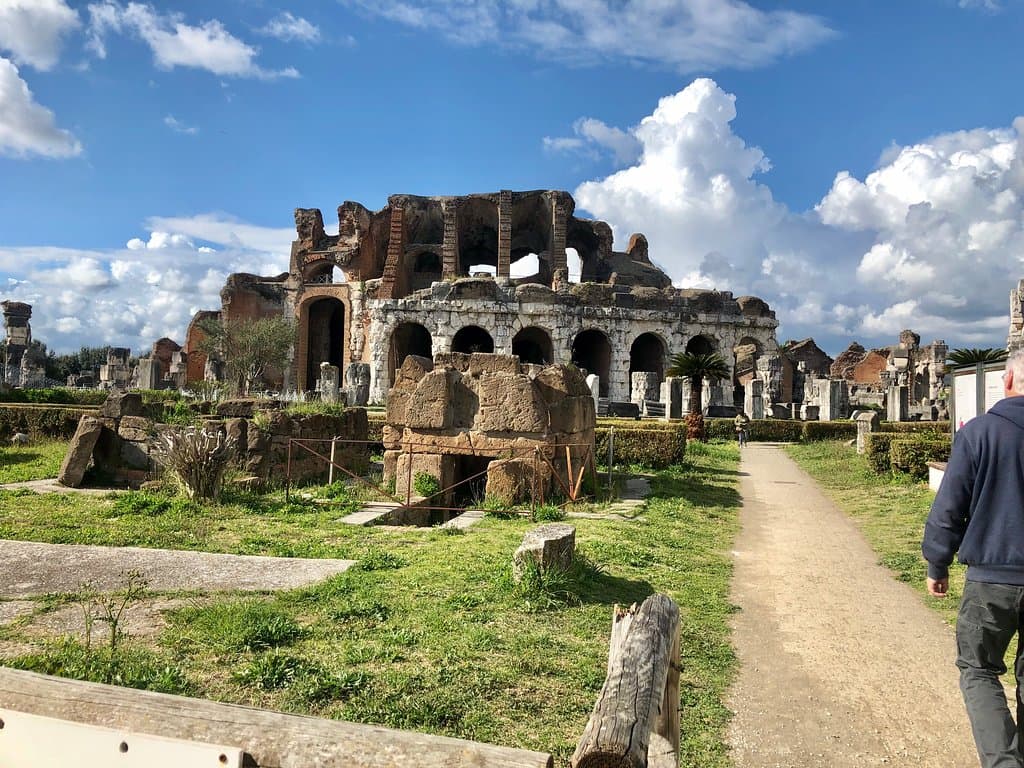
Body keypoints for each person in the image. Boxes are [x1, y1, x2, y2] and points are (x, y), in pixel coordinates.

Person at [922, 350, 1024, 767]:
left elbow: (950, 506)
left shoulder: (980, 432)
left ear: (1008, 381)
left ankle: (1003, 762)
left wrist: (937, 562)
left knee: (979, 669)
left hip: (990, 577)